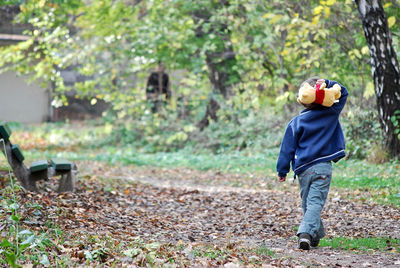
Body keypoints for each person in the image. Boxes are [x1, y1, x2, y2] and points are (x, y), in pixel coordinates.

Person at [276, 76, 348, 250]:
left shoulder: (296, 122)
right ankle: (309, 234)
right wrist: (326, 83)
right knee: (314, 203)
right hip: (322, 168)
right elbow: (343, 92)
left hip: (303, 169)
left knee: (309, 203)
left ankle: (308, 235)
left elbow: (287, 149)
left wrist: (282, 170)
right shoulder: (330, 114)